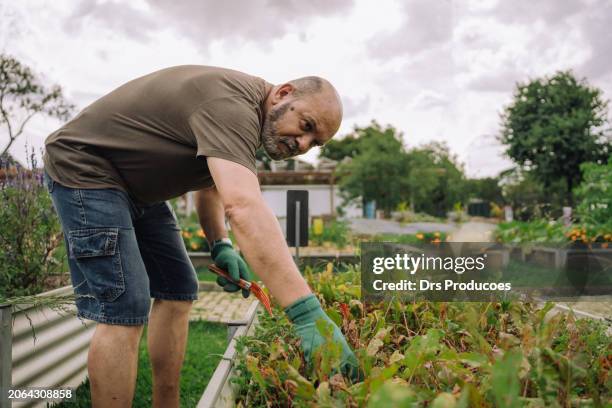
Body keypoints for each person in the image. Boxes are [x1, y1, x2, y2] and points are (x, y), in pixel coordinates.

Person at [42, 65, 359, 408]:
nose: (302, 144)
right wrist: (305, 312)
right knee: (124, 306)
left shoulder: (250, 122)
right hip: (88, 170)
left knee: (178, 290)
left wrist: (219, 244)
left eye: (315, 143)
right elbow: (243, 206)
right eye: (306, 127)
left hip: (136, 189)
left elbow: (210, 188)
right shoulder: (231, 105)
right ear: (284, 94)